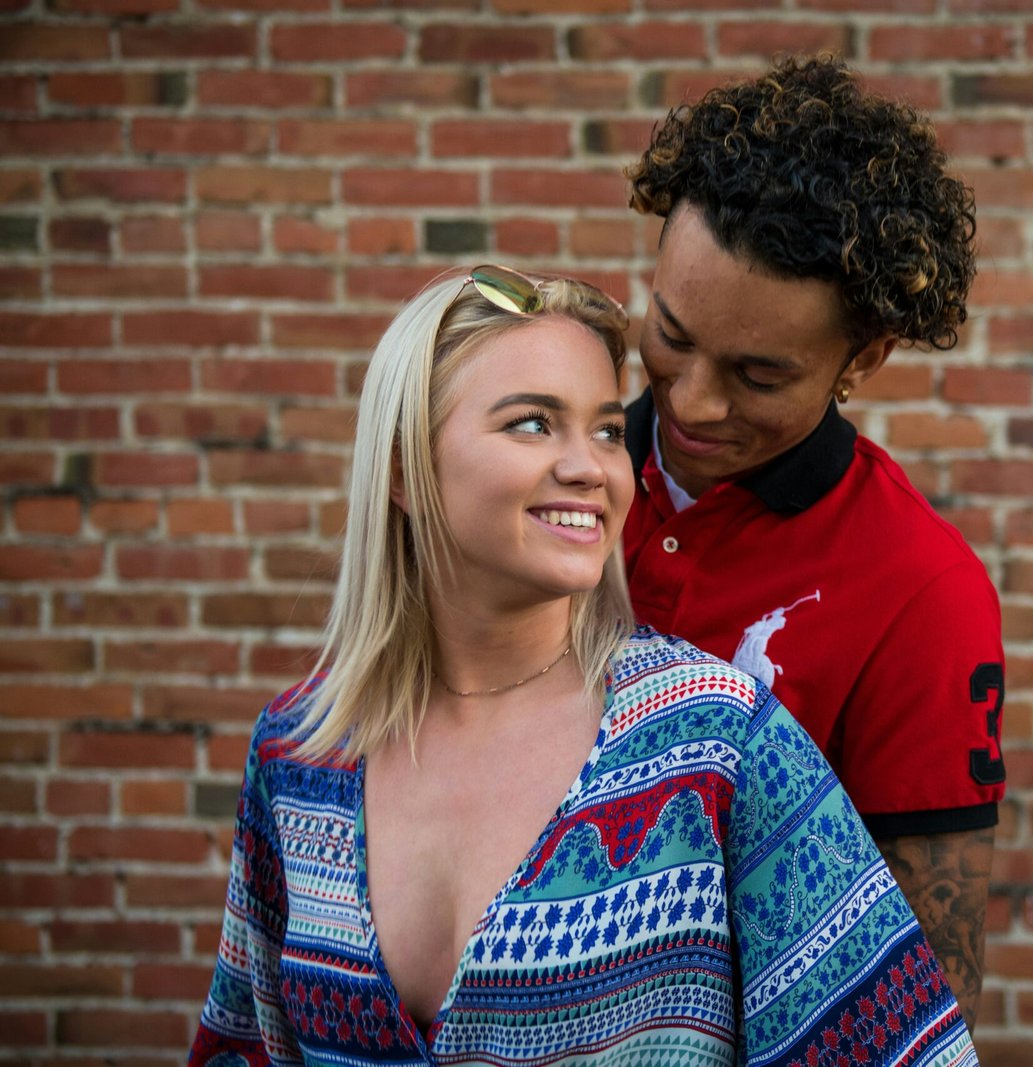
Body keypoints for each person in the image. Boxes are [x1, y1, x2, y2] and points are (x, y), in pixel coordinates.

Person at [189, 265, 977, 1065]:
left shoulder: (717, 745)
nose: (592, 466)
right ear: (403, 467)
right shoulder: (298, 752)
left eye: (606, 429)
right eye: (533, 424)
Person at [622, 54, 1004, 1028]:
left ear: (863, 356)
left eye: (758, 374)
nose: (692, 401)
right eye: (669, 332)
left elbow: (923, 986)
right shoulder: (533, 483)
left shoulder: (923, 591)